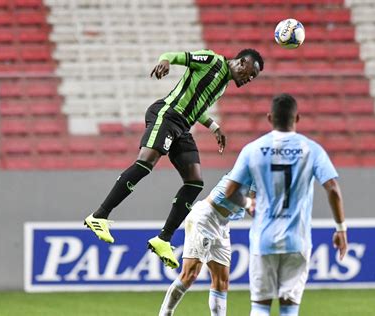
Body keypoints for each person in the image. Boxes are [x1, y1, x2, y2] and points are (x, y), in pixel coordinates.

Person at [84, 48, 264, 269]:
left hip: (182, 127)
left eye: (253, 78)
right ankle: (99, 215)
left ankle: (163, 239)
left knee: (195, 181)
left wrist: (214, 127)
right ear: (242, 62)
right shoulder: (212, 60)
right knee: (145, 163)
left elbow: (197, 107)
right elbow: (175, 56)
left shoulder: (222, 84)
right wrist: (165, 62)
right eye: (251, 73)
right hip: (168, 114)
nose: (249, 80)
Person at [225, 93, 348, 316]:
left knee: (260, 306)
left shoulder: (253, 149)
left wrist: (249, 203)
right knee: (289, 309)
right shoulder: (312, 149)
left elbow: (230, 192)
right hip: (297, 241)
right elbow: (332, 188)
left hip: (264, 238)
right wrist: (340, 229)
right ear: (297, 118)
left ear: (270, 118)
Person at [158, 172, 255, 316]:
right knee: (190, 274)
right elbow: (253, 204)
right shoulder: (255, 169)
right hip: (205, 217)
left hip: (223, 223)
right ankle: (165, 314)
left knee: (222, 281)